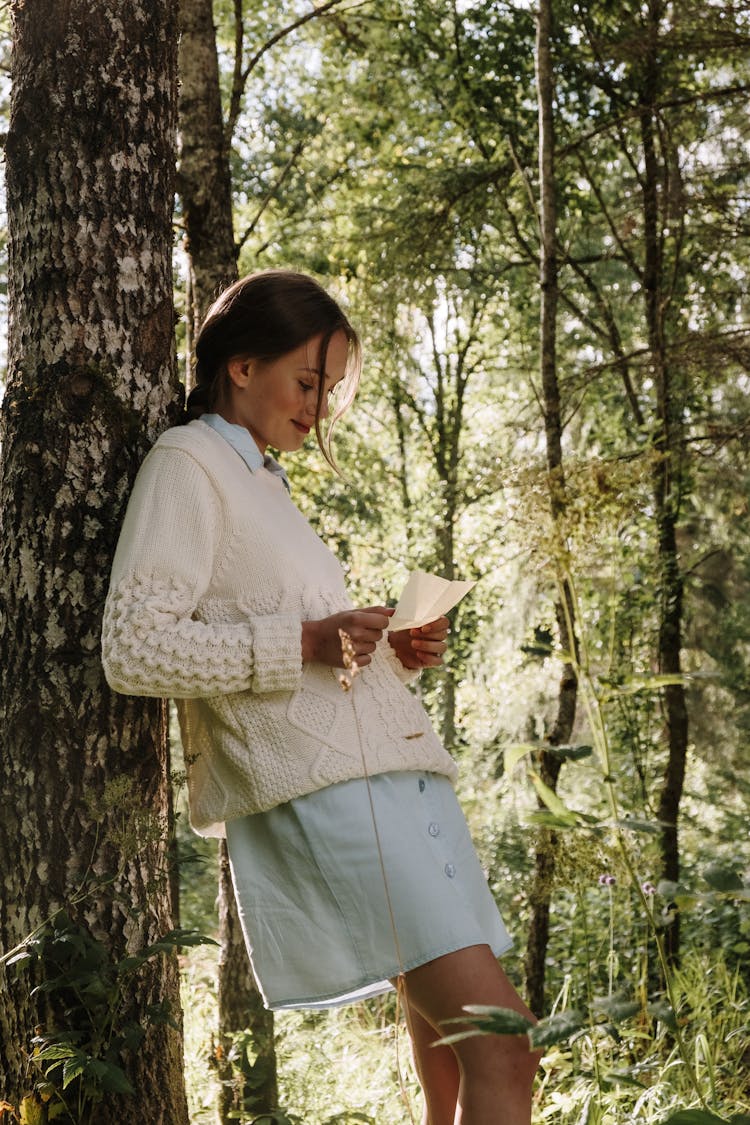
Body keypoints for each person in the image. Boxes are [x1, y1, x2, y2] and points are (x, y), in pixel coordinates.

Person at [101, 270, 540, 1125]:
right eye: (308, 382)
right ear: (241, 365)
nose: (319, 405)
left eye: (328, 388)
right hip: (330, 793)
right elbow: (134, 646)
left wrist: (392, 656)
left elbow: (304, 659)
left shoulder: (265, 484)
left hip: (388, 781)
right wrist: (303, 640)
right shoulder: (187, 464)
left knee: (452, 1060)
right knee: (502, 1043)